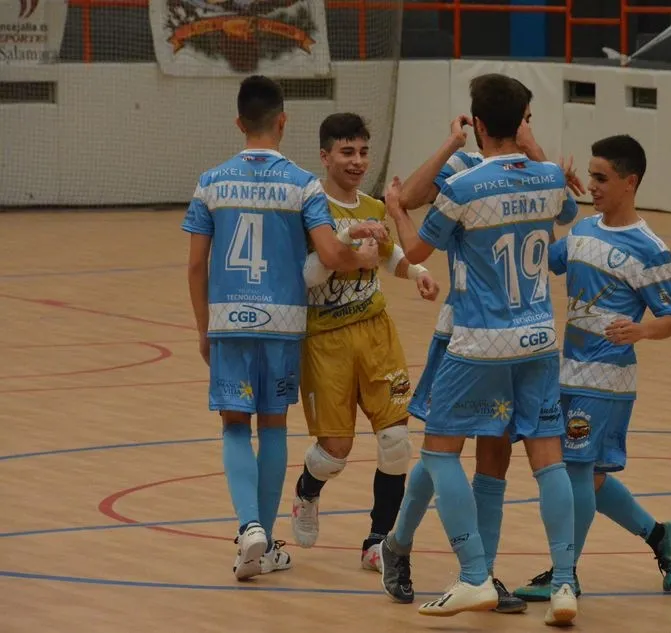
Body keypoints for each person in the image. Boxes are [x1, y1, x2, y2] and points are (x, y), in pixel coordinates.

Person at [379, 73, 581, 626]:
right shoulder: (546, 177)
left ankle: (473, 574)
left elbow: (417, 247)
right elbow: (569, 213)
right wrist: (533, 151)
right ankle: (564, 584)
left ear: (479, 125)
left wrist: (396, 208)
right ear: (521, 122)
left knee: (440, 452)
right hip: (539, 339)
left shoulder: (467, 187)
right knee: (546, 456)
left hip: (478, 341)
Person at [181, 76, 387, 581]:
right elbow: (331, 253)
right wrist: (359, 249)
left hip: (229, 319)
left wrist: (204, 328)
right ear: (282, 122)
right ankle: (267, 540)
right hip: (284, 323)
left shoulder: (211, 182)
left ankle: (249, 527)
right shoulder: (302, 183)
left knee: (233, 426)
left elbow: (194, 266)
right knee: (272, 424)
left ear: (238, 123)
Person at [513, 135, 671, 601]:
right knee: (588, 473)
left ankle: (564, 573)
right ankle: (660, 535)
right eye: (589, 176)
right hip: (565, 371)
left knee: (576, 472)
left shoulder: (650, 248)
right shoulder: (584, 231)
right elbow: (541, 259)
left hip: (608, 378)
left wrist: (642, 331)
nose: (592, 185)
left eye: (601, 178)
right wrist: (552, 198)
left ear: (630, 183)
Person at [289, 112, 440, 571]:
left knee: (396, 441)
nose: (357, 161)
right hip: (326, 342)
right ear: (325, 155)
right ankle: (306, 493)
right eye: (347, 152)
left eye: (362, 152)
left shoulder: (374, 208)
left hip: (376, 336)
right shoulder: (310, 208)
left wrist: (417, 272)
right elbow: (307, 277)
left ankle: (379, 539)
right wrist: (347, 244)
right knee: (335, 451)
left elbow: (392, 256)